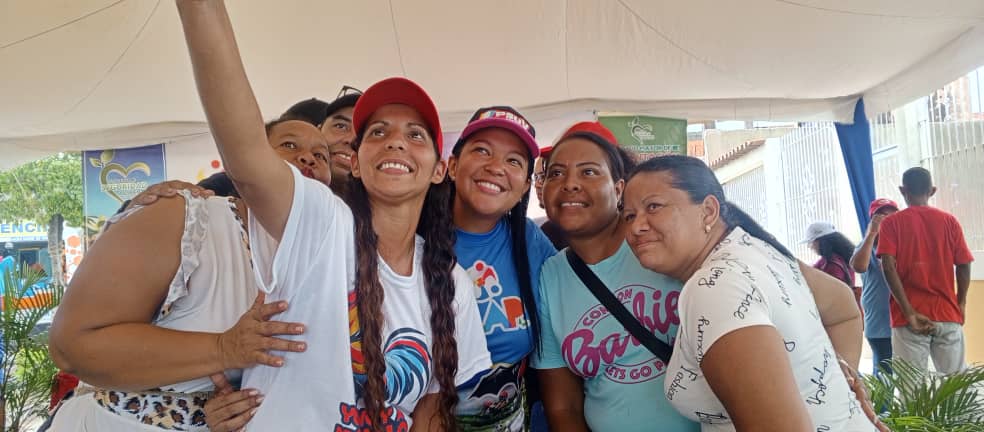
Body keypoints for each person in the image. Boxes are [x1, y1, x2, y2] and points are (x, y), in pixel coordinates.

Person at [176, 2, 491, 431]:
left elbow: (432, 407)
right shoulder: (322, 225)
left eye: (416, 134)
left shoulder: (451, 283)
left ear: (439, 170)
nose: (396, 142)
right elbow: (246, 155)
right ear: (355, 162)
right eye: (378, 132)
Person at [44, 117, 324, 431]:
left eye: (321, 155)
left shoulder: (320, 259)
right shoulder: (185, 216)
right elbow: (72, 346)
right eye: (289, 144)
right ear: (245, 160)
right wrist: (223, 349)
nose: (308, 158)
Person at [622, 155, 877, 431]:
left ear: (708, 211)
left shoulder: (715, 288)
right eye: (629, 215)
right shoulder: (756, 250)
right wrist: (833, 385)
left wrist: (834, 385)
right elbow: (843, 308)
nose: (636, 227)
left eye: (654, 207)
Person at [446, 106, 556, 431]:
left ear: (525, 186)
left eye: (514, 161)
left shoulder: (529, 240)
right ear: (452, 166)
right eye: (482, 150)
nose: (496, 167)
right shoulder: (414, 236)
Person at [877, 167, 973, 374]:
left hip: (908, 319)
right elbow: (964, 265)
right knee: (955, 384)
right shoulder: (949, 221)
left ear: (903, 190)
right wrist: (961, 303)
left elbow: (888, 266)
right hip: (947, 313)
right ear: (932, 190)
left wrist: (909, 312)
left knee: (911, 388)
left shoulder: (891, 223)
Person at [850, 198, 898, 376]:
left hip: (903, 318)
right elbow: (858, 266)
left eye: (892, 216)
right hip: (879, 322)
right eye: (881, 216)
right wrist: (871, 234)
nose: (887, 220)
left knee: (908, 373)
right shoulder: (867, 247)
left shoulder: (903, 244)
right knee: (884, 374)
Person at [803, 222, 857, 290]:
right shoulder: (842, 257)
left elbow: (831, 290)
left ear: (821, 241)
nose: (809, 246)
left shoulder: (832, 264)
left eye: (810, 242)